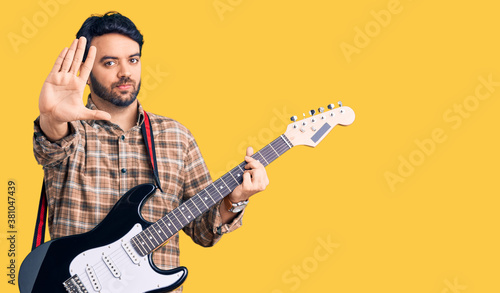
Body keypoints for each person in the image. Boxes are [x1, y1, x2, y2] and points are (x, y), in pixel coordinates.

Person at [33, 11, 269, 292]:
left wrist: (236, 199)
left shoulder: (176, 137)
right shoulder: (68, 129)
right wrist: (52, 117)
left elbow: (204, 232)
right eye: (110, 62)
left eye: (133, 60)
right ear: (85, 71)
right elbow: (50, 148)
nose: (125, 72)